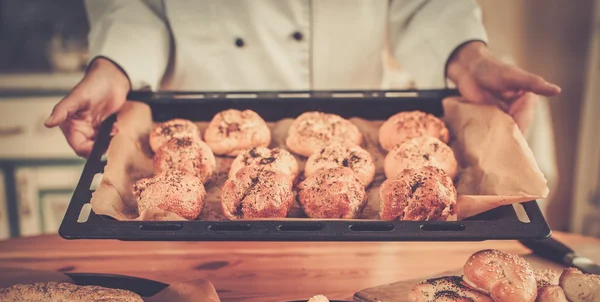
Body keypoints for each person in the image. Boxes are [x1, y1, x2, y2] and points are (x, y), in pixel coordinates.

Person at [45, 0, 561, 158]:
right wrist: (113, 64)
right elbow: (135, 7)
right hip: (195, 124)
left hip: (351, 121)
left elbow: (426, 4)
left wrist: (466, 57)